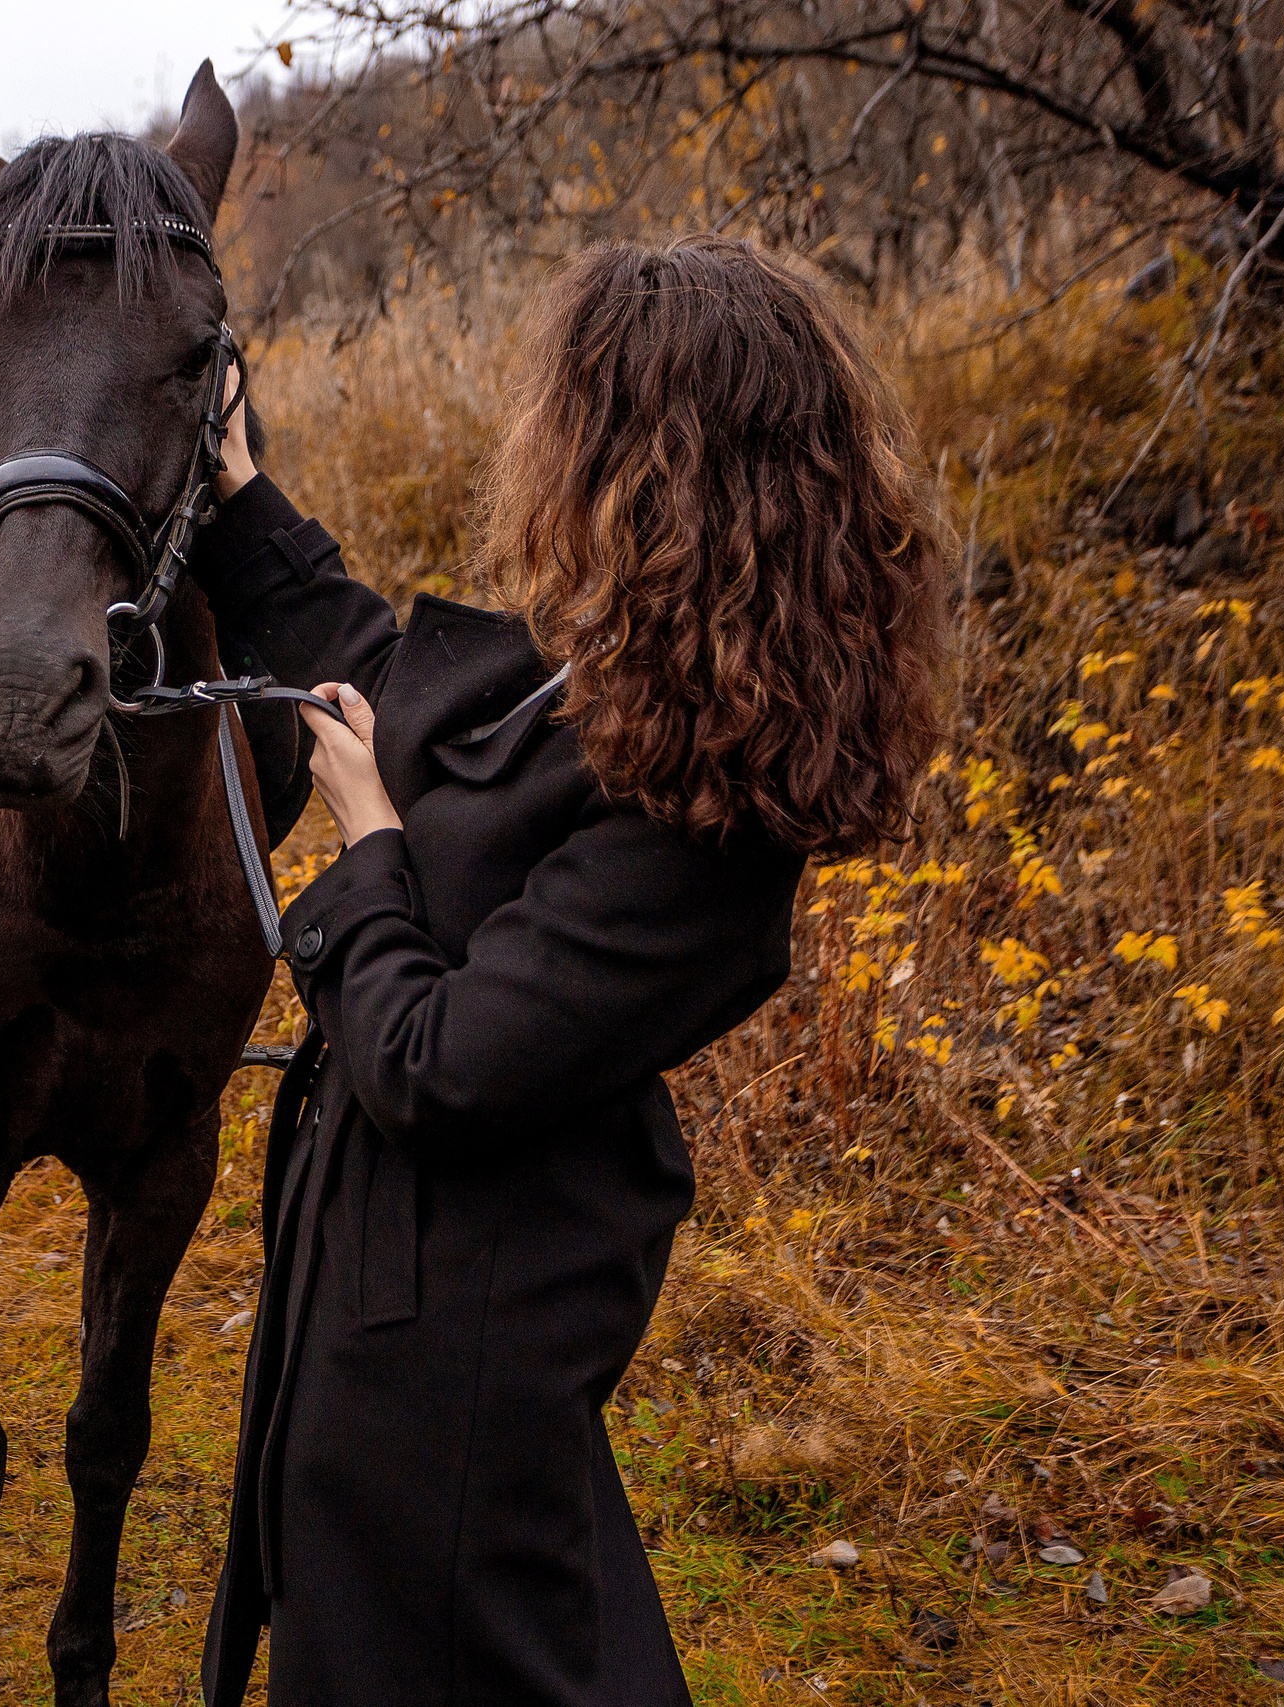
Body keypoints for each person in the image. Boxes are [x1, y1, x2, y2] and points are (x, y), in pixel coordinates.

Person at [197, 236, 949, 1706]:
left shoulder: (705, 827)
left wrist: (363, 852)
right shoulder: (613, 688)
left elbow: (436, 1061)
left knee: (475, 1647)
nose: (534, 445)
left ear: (651, 462)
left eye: (572, 413)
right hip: (392, 1310)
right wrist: (238, 495)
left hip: (461, 1353)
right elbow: (381, 682)